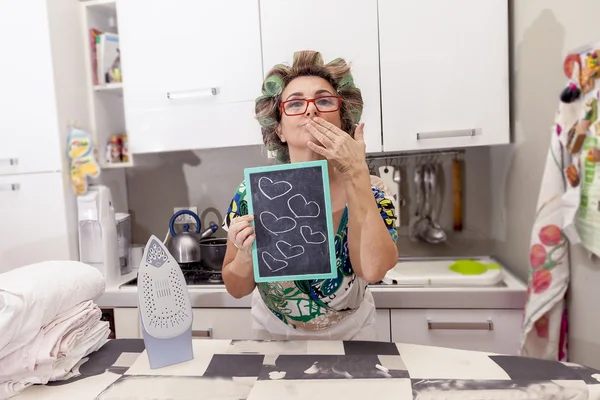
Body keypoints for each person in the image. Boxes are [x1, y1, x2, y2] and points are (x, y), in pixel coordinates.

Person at [221, 50, 398, 340]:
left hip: (354, 334)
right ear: (278, 128)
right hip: (273, 334)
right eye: (295, 103)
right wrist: (244, 254)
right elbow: (236, 288)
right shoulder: (252, 192)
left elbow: (373, 270)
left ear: (342, 120)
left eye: (324, 100)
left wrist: (356, 173)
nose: (310, 110)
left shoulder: (374, 190)